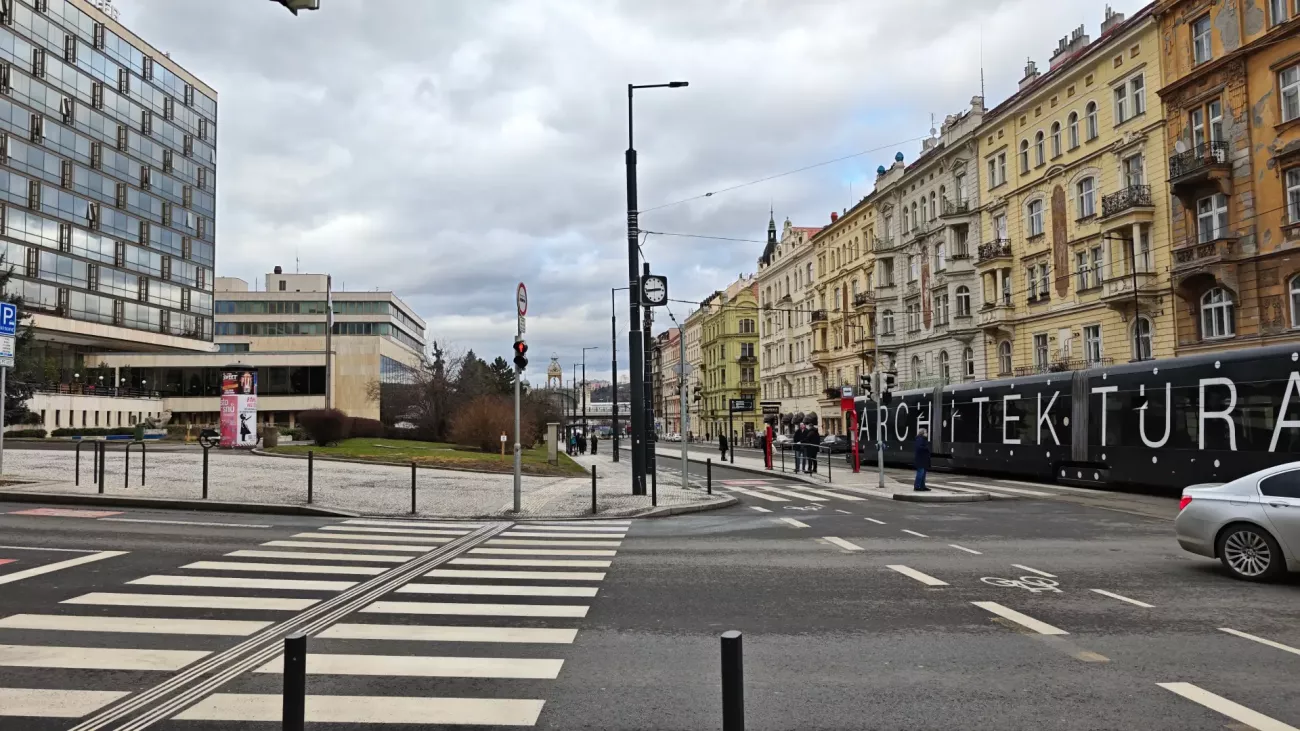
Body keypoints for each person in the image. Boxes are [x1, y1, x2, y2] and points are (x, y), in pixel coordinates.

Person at [914, 427, 932, 491]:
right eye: (925, 432)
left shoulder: (922, 439)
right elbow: (919, 448)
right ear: (922, 433)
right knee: (920, 473)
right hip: (921, 459)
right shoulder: (920, 439)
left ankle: (922, 486)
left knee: (923, 473)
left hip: (923, 459)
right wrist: (926, 448)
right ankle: (917, 486)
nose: (927, 433)